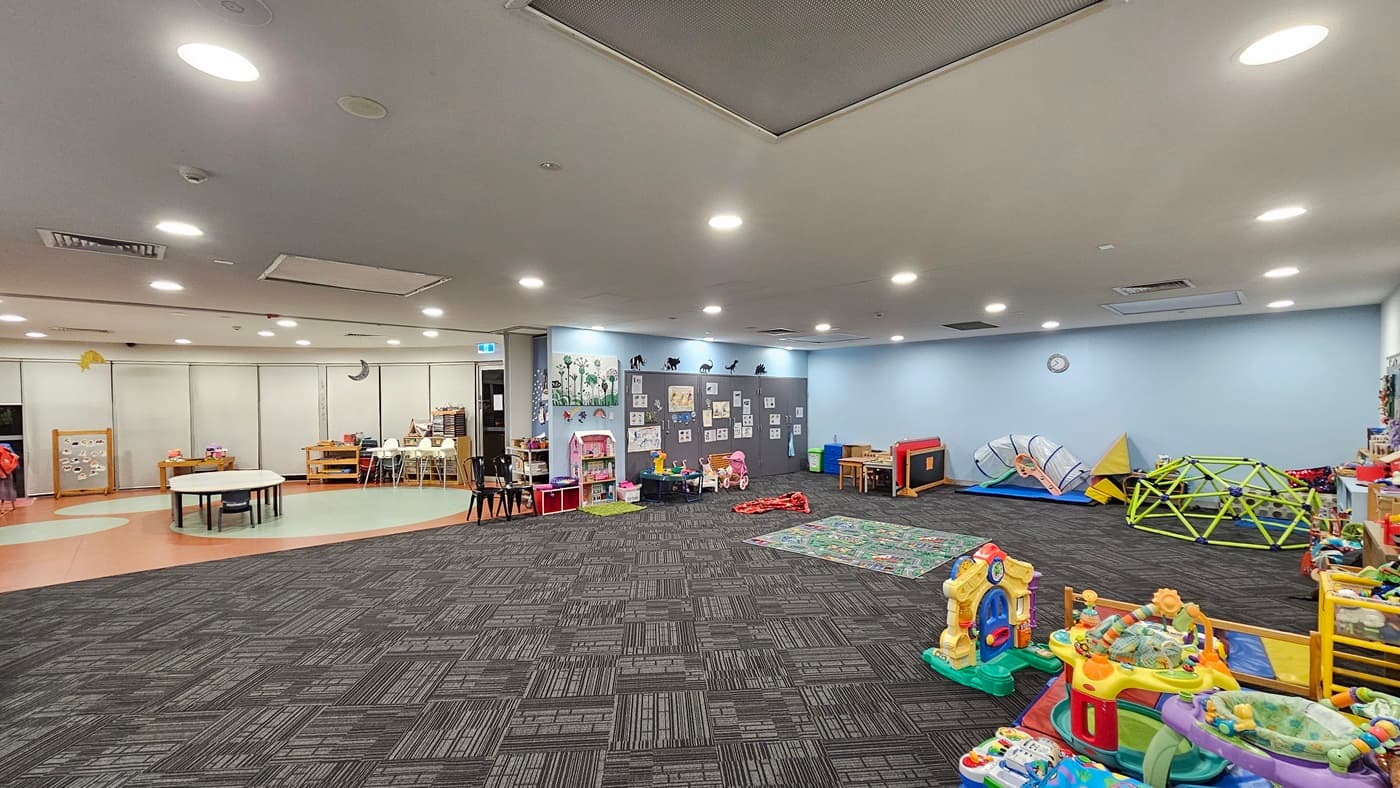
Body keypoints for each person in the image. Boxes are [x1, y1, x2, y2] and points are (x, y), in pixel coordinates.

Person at [0, 442, 19, 515]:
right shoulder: (8, 452)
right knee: (10, 488)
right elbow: (16, 459)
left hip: (2, 472)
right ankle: (13, 506)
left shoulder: (3, 452)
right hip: (8, 472)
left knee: (2, 489)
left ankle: (2, 508)